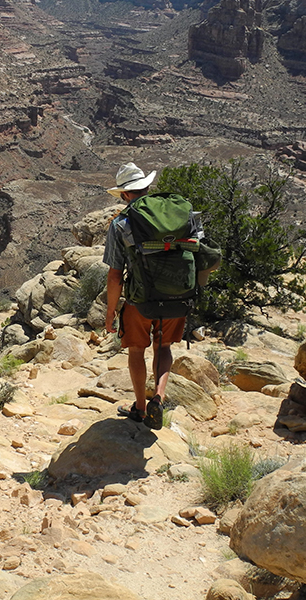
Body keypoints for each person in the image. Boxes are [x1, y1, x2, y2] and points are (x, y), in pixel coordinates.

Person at [102, 163, 186, 430]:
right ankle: (158, 399)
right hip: (177, 297)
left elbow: (115, 275)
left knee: (137, 350)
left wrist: (111, 312)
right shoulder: (180, 215)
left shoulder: (121, 224)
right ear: (147, 188)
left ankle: (140, 407)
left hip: (141, 301)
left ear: (125, 194)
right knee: (164, 348)